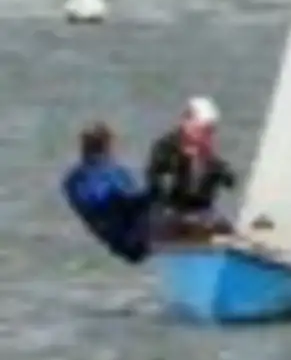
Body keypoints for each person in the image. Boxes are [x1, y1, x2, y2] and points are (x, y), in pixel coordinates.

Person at [61, 122, 152, 264]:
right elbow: (99, 205)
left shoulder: (116, 170)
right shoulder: (78, 178)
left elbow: (131, 194)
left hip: (133, 224)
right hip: (121, 231)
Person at [146, 96, 237, 238]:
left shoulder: (207, 153)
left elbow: (230, 181)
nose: (206, 135)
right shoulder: (166, 147)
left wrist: (210, 161)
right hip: (170, 210)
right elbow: (161, 181)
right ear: (186, 123)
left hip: (201, 211)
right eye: (203, 130)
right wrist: (184, 157)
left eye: (210, 131)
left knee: (225, 229)